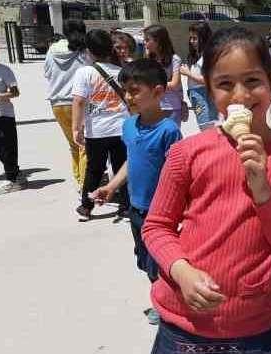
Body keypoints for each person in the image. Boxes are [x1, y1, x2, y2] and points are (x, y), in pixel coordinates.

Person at [142, 27, 271, 353]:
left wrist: (262, 189)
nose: (240, 95)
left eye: (252, 81)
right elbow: (157, 226)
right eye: (224, 84)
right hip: (183, 326)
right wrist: (182, 271)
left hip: (254, 328)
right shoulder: (188, 152)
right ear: (209, 91)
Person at [91, 58, 182, 325]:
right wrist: (111, 186)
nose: (127, 96)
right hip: (136, 210)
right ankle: (162, 297)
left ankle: (166, 305)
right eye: (125, 90)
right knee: (143, 259)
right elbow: (132, 160)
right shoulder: (129, 125)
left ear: (157, 92)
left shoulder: (169, 131)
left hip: (162, 214)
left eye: (134, 90)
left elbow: (179, 173)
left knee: (159, 263)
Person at [71, 29, 130, 220]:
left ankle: (87, 208)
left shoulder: (84, 72)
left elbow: (79, 102)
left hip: (97, 132)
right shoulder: (122, 72)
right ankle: (126, 206)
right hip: (122, 128)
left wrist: (76, 128)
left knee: (94, 170)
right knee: (123, 167)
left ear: (89, 50)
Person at [44, 18, 88, 193]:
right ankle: (85, 184)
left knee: (73, 144)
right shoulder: (84, 50)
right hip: (78, 103)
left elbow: (47, 73)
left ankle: (79, 177)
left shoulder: (52, 49)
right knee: (85, 145)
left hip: (57, 104)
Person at [0, 35, 25, 195]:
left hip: (3, 115)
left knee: (7, 148)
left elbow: (15, 92)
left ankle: (12, 179)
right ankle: (15, 174)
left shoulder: (4, 70)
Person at [180, 22, 218, 131]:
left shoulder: (208, 55)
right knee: (204, 126)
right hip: (196, 94)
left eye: (195, 38)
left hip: (203, 94)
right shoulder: (197, 55)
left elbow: (207, 80)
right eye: (190, 38)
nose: (191, 41)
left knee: (206, 126)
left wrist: (187, 73)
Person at [144, 25, 185, 126]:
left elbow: (175, 84)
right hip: (153, 107)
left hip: (171, 107)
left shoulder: (174, 59)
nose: (145, 43)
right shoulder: (147, 60)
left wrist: (154, 86)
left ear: (158, 41)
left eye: (147, 40)